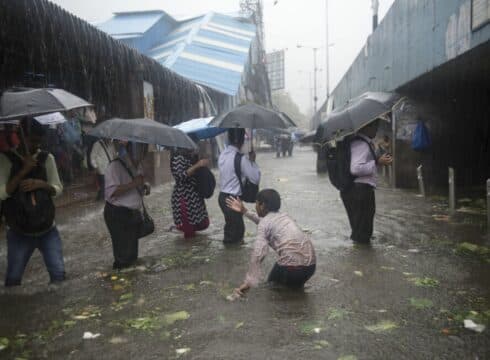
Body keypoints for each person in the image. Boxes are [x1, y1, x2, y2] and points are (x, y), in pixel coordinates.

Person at [0, 119, 65, 286]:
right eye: (33, 140)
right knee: (13, 279)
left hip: (47, 229)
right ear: (21, 137)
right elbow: (2, 193)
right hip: (18, 231)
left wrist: (42, 185)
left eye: (39, 141)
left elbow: (58, 188)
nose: (36, 145)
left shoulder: (46, 158)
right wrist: (23, 171)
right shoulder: (5, 159)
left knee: (59, 275)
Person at [226, 189, 316, 296]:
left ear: (262, 205)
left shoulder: (265, 224)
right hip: (310, 266)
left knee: (272, 292)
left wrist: (249, 282)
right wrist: (244, 211)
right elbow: (264, 222)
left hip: (291, 267)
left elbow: (259, 253)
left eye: (256, 203)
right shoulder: (284, 216)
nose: (255, 206)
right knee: (294, 292)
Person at [340, 120, 392, 244]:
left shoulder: (359, 142)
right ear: (366, 127)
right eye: (375, 126)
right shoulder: (361, 144)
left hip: (356, 190)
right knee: (362, 233)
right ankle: (361, 261)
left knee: (360, 231)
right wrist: (377, 163)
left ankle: (358, 259)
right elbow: (355, 168)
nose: (376, 130)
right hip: (361, 191)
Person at [104, 142, 150, 269]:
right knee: (123, 256)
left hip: (132, 213)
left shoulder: (138, 166)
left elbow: (137, 185)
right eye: (139, 149)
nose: (141, 154)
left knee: (132, 254)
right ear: (130, 150)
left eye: (143, 150)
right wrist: (134, 184)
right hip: (117, 214)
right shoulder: (114, 166)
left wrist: (144, 186)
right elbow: (111, 193)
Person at [218, 128, 260, 244]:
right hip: (233, 199)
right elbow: (255, 178)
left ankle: (228, 256)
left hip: (222, 197)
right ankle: (229, 259)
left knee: (231, 228)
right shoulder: (241, 159)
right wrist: (252, 162)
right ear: (241, 140)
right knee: (237, 233)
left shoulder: (222, 155)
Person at [170, 149, 210, 238]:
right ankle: (189, 249)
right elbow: (180, 176)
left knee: (202, 224)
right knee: (189, 231)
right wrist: (197, 165)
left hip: (195, 196)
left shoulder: (192, 154)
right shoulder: (178, 157)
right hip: (184, 197)